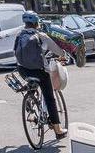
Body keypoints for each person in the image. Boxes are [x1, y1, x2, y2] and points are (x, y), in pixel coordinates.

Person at [14, 11, 71, 140]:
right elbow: (58, 50)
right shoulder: (41, 35)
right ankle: (58, 129)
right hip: (39, 70)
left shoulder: (19, 35)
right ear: (36, 23)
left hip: (22, 70)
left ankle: (31, 107)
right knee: (49, 98)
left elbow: (15, 52)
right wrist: (63, 55)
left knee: (32, 86)